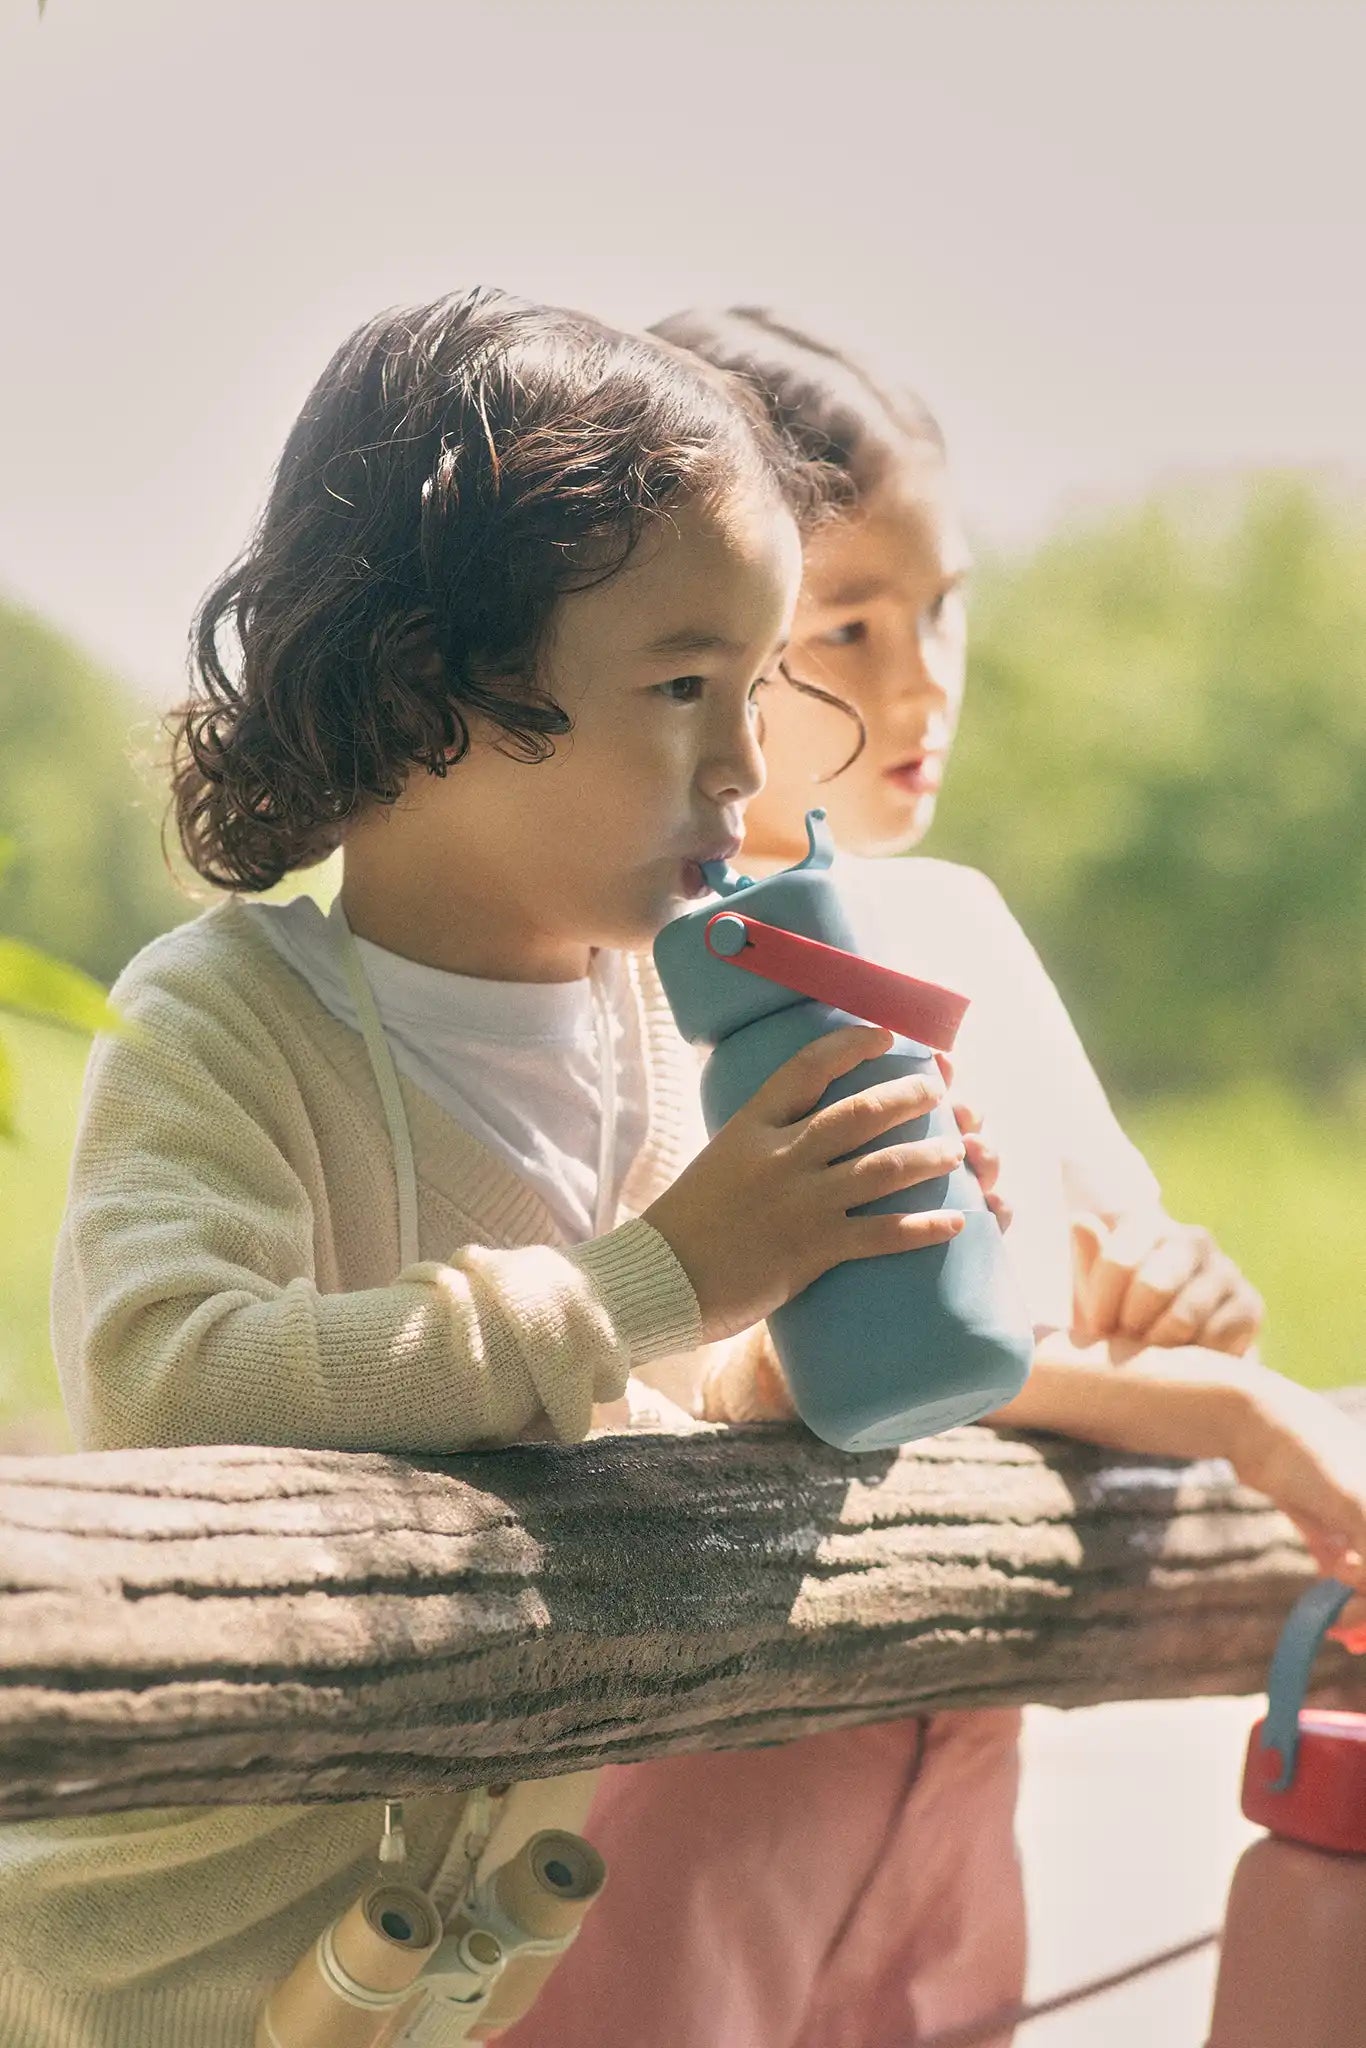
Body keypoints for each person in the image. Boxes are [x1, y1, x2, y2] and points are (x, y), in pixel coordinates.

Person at [0, 290, 998, 2048]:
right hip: (156, 1971)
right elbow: (169, 1380)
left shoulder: (657, 1037)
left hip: (450, 1971)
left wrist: (839, 1283)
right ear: (428, 686)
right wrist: (668, 1275)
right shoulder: (229, 1015)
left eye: (755, 684)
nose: (745, 760)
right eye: (681, 685)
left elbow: (644, 1397)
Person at [495, 307, 1366, 2048]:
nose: (917, 684)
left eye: (940, 610)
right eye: (846, 628)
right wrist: (1221, 1409)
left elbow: (1090, 1278)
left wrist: (1179, 1301)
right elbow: (785, 1351)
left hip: (959, 1753)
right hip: (703, 1771)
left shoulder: (962, 923)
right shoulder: (634, 961)